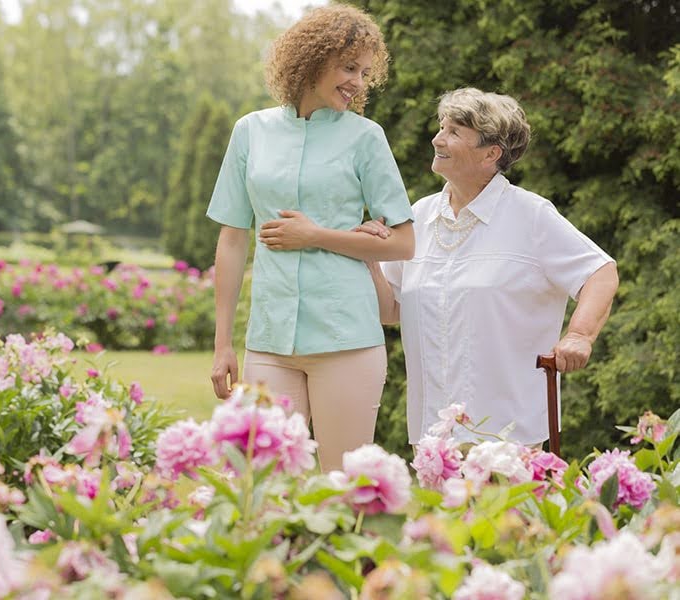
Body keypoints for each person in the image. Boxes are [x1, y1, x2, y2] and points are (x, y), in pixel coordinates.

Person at [206, 5, 415, 471]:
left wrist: (317, 235)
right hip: (269, 340)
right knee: (264, 483)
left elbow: (403, 242)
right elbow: (233, 239)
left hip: (347, 338)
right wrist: (224, 343)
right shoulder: (250, 131)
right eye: (347, 67)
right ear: (311, 60)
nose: (358, 82)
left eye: (364, 71)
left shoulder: (366, 138)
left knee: (341, 486)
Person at [362, 87, 619, 447]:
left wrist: (579, 334)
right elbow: (390, 309)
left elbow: (600, 272)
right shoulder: (418, 216)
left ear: (491, 153)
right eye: (441, 127)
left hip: (509, 437)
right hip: (434, 438)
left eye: (454, 132)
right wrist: (371, 259)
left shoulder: (530, 215)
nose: (438, 138)